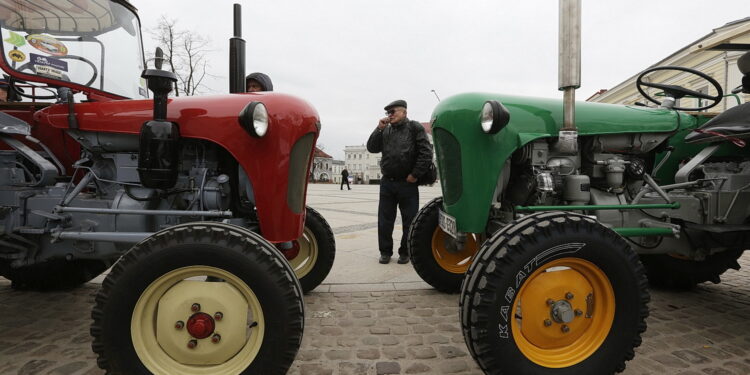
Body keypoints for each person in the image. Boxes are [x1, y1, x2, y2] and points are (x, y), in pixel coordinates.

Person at [367, 99, 432, 264]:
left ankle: (405, 251)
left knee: (409, 221)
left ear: (404, 112)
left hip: (407, 183)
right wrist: (379, 129)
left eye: (393, 111)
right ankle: (385, 252)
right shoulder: (386, 130)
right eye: (388, 113)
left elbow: (426, 152)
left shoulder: (414, 128)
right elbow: (372, 148)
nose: (390, 115)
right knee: (384, 221)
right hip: (387, 183)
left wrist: (415, 174)